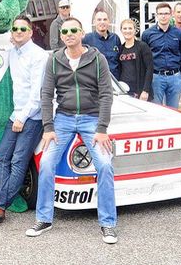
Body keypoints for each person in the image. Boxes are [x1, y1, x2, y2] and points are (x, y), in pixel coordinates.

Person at [27, 17, 118, 244]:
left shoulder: (98, 59)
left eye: (73, 30)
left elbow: (106, 94)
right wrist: (48, 128)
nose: (69, 34)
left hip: (91, 120)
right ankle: (44, 219)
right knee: (46, 163)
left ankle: (108, 223)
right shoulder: (55, 60)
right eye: (65, 31)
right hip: (63, 119)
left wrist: (102, 128)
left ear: (82, 33)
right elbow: (46, 95)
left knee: (105, 165)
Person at [0, 15, 47, 226]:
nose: (19, 31)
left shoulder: (39, 56)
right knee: (2, 156)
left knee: (17, 162)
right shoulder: (12, 52)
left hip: (31, 117)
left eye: (23, 28)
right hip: (16, 115)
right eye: (15, 29)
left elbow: (38, 94)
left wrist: (22, 118)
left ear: (31, 32)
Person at [142, 3, 181, 109]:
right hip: (156, 77)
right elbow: (144, 57)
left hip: (174, 77)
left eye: (166, 13)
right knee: (156, 110)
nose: (163, 16)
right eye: (160, 14)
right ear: (156, 15)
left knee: (174, 111)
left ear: (171, 15)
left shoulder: (178, 33)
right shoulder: (147, 34)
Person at [116, 19, 152, 101]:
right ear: (121, 30)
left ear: (135, 30)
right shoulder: (120, 48)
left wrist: (145, 90)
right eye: (125, 28)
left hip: (139, 89)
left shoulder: (142, 46)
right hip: (125, 89)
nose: (127, 31)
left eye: (130, 28)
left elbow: (149, 69)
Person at [83, 10, 121, 81]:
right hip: (96, 82)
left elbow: (119, 61)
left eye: (105, 19)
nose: (102, 22)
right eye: (99, 20)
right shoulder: (87, 39)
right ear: (94, 22)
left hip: (115, 82)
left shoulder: (115, 38)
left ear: (108, 22)